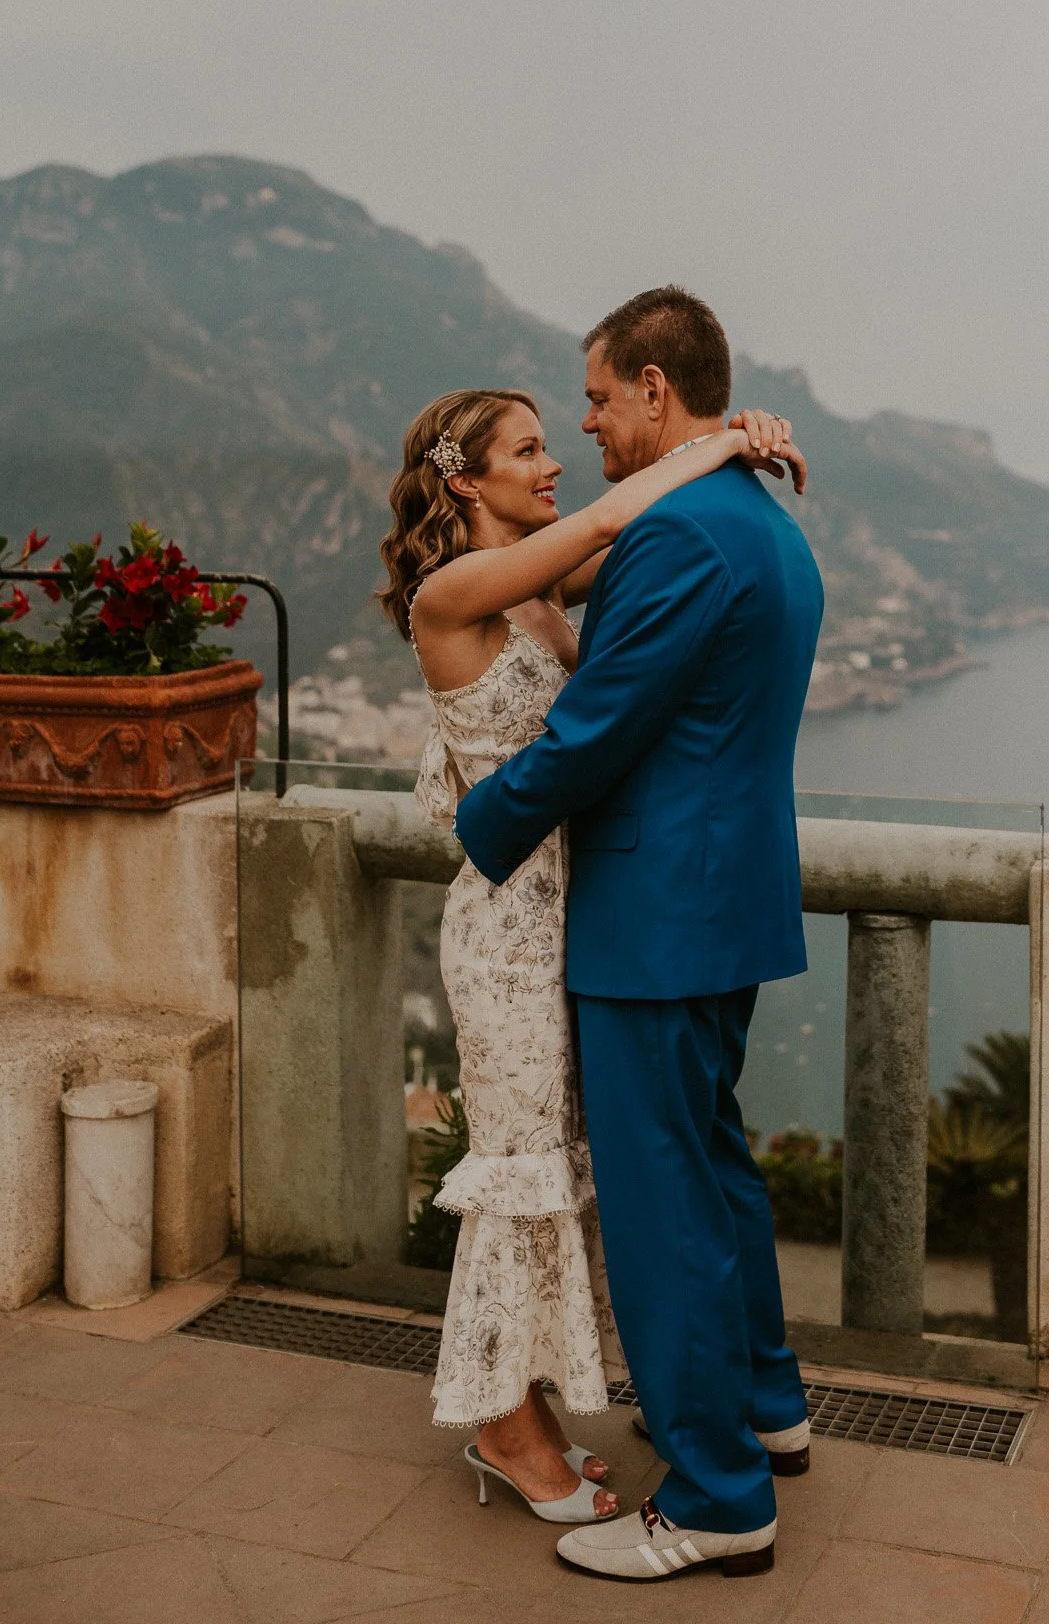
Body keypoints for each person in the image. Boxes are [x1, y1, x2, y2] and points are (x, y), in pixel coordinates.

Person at [377, 376, 806, 1531]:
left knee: (566, 1169)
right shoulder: (455, 589)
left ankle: (537, 1403)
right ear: (465, 477)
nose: (553, 459)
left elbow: (659, 551)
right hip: (512, 924)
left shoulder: (535, 587)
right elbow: (621, 519)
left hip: (578, 910)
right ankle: (502, 1425)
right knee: (517, 1173)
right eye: (524, 448)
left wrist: (741, 441)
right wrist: (719, 437)